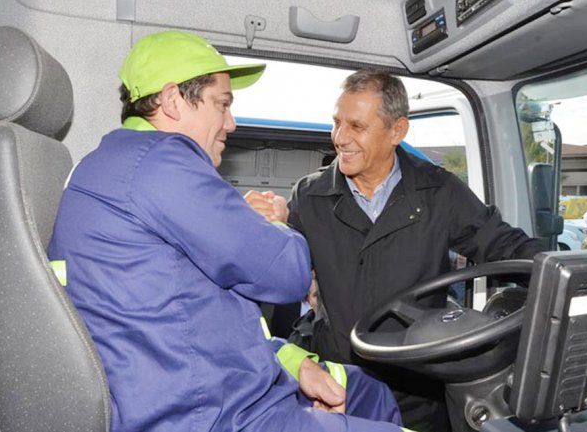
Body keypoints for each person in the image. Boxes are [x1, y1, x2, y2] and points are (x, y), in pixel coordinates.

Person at [48, 32, 407, 432]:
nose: (231, 123)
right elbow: (286, 274)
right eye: (222, 104)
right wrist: (272, 220)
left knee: (369, 391)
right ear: (172, 101)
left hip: (195, 383)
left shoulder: (108, 162)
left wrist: (291, 361)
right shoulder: (163, 163)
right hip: (214, 415)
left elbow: (192, 311)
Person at [287, 69, 544, 431]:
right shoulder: (308, 196)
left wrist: (563, 272)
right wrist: (264, 225)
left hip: (419, 391)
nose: (339, 138)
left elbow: (503, 244)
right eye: (336, 123)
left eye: (356, 126)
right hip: (338, 389)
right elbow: (277, 268)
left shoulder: (438, 191)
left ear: (397, 131)